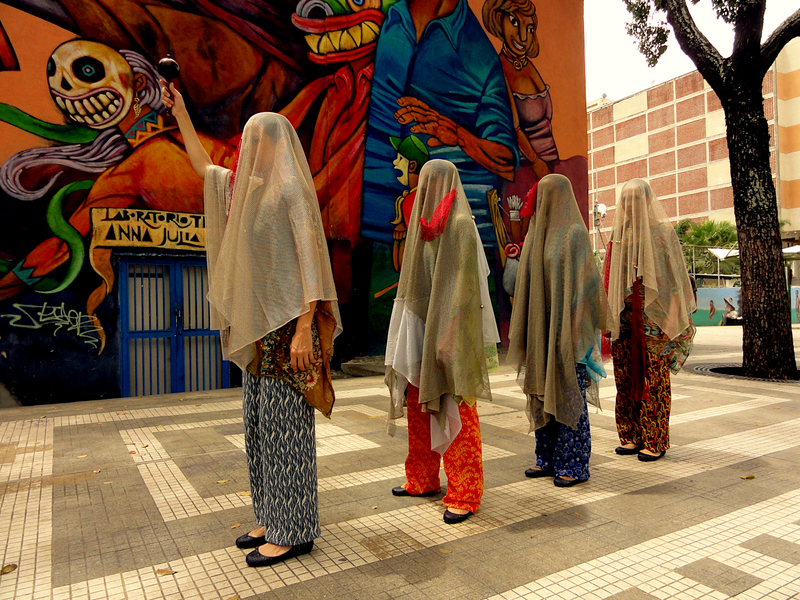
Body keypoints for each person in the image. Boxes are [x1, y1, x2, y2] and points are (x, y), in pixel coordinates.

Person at [161, 82, 342, 567]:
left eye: (255, 141)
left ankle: (294, 528)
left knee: (287, 428)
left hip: (290, 329)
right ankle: (269, 513)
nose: (247, 149)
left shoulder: (291, 193)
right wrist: (180, 110)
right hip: (262, 330)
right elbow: (204, 169)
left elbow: (310, 263)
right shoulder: (248, 192)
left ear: (275, 144)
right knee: (260, 426)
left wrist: (305, 326)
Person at [385, 159, 500, 524]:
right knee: (419, 407)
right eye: (425, 181)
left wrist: (448, 337)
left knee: (458, 411)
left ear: (451, 183)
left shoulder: (461, 226)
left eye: (437, 181)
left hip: (453, 332)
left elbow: (465, 290)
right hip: (419, 328)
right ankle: (421, 479)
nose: (429, 188)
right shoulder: (422, 225)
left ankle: (465, 492)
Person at [507, 175, 607, 487]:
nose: (540, 202)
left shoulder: (575, 234)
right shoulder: (538, 234)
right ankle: (546, 458)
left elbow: (586, 287)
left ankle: (574, 465)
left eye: (546, 195)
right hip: (541, 333)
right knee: (540, 391)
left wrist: (573, 336)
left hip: (569, 337)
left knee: (568, 395)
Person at [606, 179, 696, 462]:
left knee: (654, 381)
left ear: (647, 201)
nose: (630, 204)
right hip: (623, 321)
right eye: (625, 199)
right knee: (624, 377)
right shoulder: (618, 236)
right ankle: (630, 436)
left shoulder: (662, 234)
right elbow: (608, 278)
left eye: (636, 198)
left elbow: (677, 281)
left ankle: (655, 439)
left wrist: (671, 318)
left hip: (655, 321)